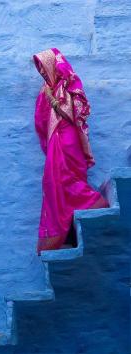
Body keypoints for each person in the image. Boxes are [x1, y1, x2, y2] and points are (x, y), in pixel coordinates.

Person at [32, 47, 109, 256]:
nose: (42, 71)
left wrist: (54, 101)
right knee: (53, 182)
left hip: (67, 139)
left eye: (43, 66)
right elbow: (40, 122)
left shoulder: (69, 83)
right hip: (54, 141)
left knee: (67, 177)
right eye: (39, 68)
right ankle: (62, 229)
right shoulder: (45, 90)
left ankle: (93, 203)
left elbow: (78, 112)